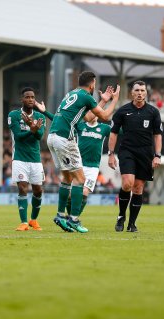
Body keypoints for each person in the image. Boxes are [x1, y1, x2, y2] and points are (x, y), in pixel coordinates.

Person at [47, 71, 119, 233]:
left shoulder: (72, 93)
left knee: (67, 178)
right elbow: (106, 116)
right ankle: (74, 219)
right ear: (92, 83)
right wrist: (114, 100)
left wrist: (102, 100)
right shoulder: (86, 96)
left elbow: (87, 117)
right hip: (65, 138)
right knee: (80, 179)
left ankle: (60, 215)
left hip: (52, 136)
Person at [108, 80, 163, 232]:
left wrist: (157, 155)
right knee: (127, 183)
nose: (140, 93)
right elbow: (113, 133)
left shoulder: (153, 112)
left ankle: (132, 224)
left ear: (146, 93)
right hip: (127, 151)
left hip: (145, 153)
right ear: (131, 93)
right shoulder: (122, 111)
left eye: (142, 90)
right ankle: (121, 216)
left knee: (138, 188)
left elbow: (158, 135)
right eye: (137, 90)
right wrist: (111, 154)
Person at [7, 87, 46, 231]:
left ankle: (33, 220)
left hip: (35, 159)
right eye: (27, 97)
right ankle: (23, 222)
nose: (30, 99)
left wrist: (33, 129)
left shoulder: (40, 117)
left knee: (38, 190)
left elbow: (39, 136)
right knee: (23, 188)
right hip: (19, 158)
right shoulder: (14, 115)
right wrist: (31, 129)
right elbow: (18, 136)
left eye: (32, 97)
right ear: (22, 100)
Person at [65, 117, 111, 216]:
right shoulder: (80, 126)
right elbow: (63, 121)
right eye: (92, 113)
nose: (94, 115)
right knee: (70, 195)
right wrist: (45, 112)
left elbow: (119, 132)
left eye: (96, 113)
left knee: (85, 192)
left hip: (93, 167)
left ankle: (74, 218)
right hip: (78, 165)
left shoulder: (104, 128)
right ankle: (70, 217)